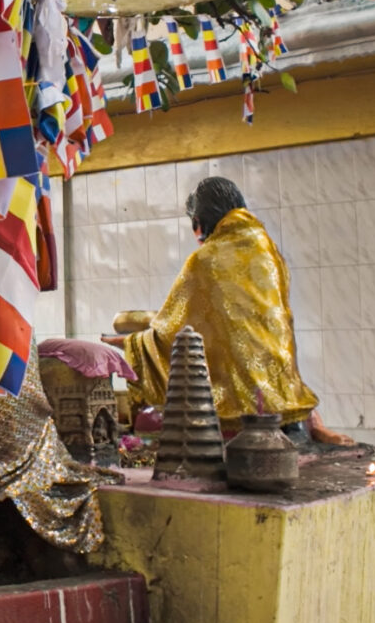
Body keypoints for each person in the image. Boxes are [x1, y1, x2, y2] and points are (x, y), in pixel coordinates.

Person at [106, 175, 351, 446]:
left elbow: (174, 328)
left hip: (237, 407)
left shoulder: (204, 259)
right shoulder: (267, 250)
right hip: (285, 394)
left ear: (200, 223)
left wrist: (131, 344)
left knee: (126, 325)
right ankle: (313, 425)